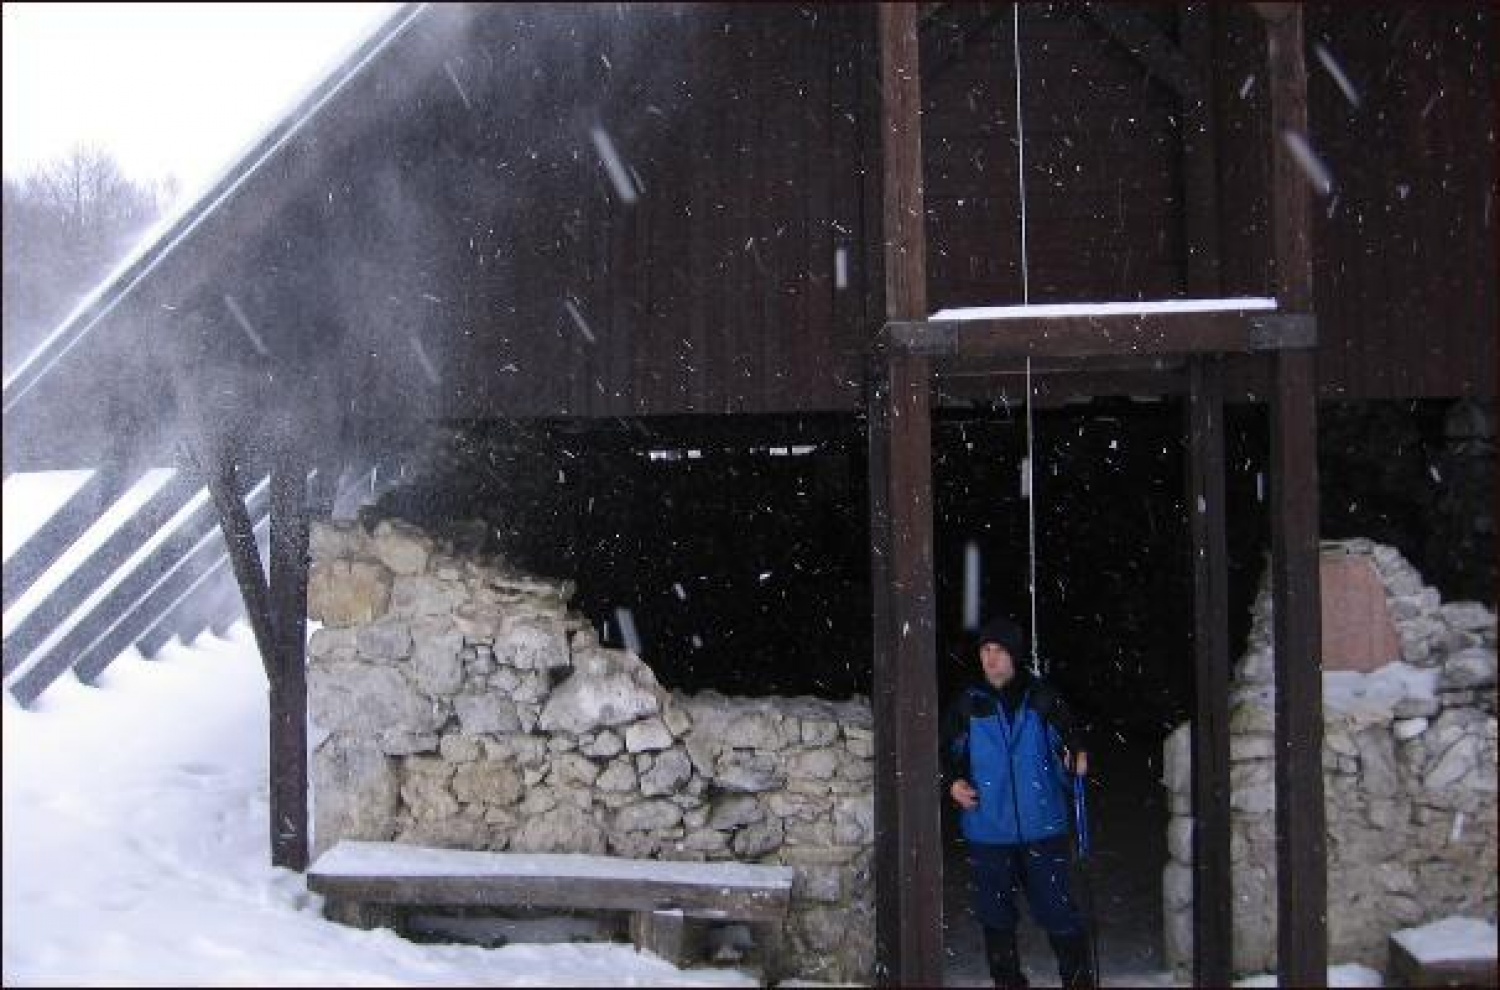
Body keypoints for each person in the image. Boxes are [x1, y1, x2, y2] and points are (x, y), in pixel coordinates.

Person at [940, 615, 1095, 989]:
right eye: (985, 650)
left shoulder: (1042, 698)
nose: (991, 658)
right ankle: (1008, 984)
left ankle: (1078, 983)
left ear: (1015, 655)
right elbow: (946, 757)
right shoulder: (967, 705)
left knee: (1059, 912)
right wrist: (953, 784)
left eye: (999, 651)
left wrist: (1076, 755)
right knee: (996, 917)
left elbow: (1071, 740)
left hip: (1043, 828)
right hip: (988, 830)